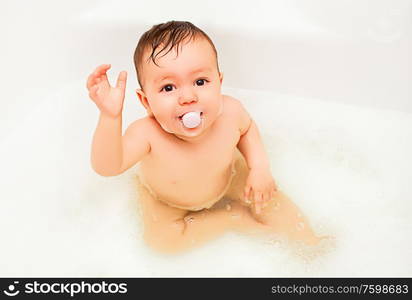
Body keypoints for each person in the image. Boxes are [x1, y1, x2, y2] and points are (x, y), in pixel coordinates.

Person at [87, 21, 325, 254]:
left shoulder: (230, 112)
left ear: (219, 84)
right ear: (146, 101)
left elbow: (247, 129)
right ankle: (230, 219)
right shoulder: (146, 134)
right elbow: (108, 167)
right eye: (169, 88)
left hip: (231, 180)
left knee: (274, 205)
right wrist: (110, 117)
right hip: (167, 202)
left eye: (200, 82)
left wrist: (259, 167)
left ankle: (314, 247)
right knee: (162, 243)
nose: (188, 97)